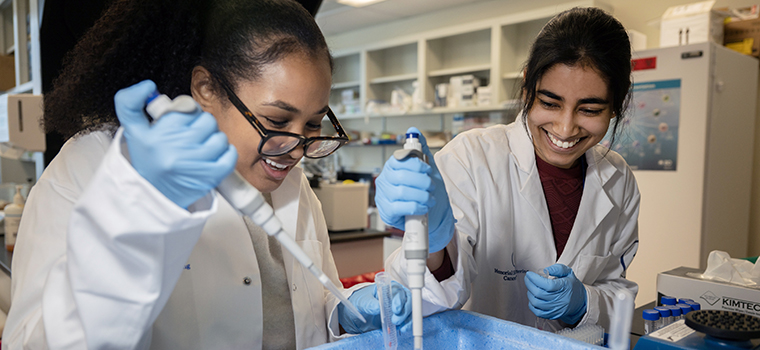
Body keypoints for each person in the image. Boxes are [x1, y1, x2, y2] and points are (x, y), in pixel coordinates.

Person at [3, 0, 411, 349]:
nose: (297, 149)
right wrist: (140, 211)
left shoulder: (292, 182)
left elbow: (297, 306)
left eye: (313, 124)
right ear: (206, 88)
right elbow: (40, 341)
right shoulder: (90, 166)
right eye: (276, 119)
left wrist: (344, 315)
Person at [375, 6, 640, 332]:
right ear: (528, 86)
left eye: (589, 109)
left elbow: (617, 291)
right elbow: (427, 298)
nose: (566, 127)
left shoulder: (619, 180)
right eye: (550, 103)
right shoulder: (471, 157)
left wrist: (584, 303)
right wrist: (435, 244)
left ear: (615, 105)